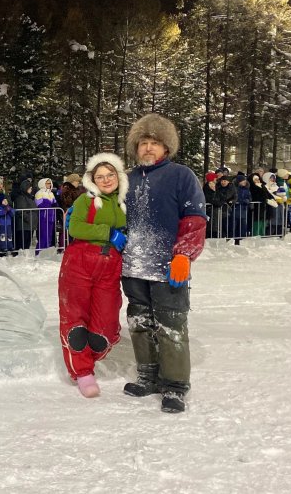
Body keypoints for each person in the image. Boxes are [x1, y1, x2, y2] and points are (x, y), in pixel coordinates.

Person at [121, 114, 207, 413]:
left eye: (154, 143)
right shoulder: (127, 178)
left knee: (170, 324)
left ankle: (174, 386)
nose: (148, 148)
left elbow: (194, 220)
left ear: (166, 148)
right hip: (133, 266)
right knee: (140, 322)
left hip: (168, 265)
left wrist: (184, 255)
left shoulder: (182, 176)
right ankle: (148, 375)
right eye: (143, 143)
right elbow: (115, 215)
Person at [58, 153, 128, 397]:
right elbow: (74, 226)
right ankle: (83, 371)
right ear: (92, 180)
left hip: (110, 266)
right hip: (80, 262)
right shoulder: (86, 200)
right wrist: (107, 232)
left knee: (106, 327)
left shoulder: (123, 202)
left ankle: (87, 356)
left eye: (110, 175)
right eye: (100, 176)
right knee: (75, 320)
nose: (106, 180)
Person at [34, 178, 57, 252]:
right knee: (43, 235)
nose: (49, 185)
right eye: (47, 183)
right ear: (43, 184)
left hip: (51, 217)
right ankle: (39, 252)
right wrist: (49, 204)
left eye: (50, 183)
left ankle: (47, 251)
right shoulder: (39, 193)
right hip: (43, 216)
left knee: (49, 235)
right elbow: (39, 204)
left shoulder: (51, 193)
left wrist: (55, 205)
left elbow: (55, 203)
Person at [13, 177, 36, 251]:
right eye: (30, 188)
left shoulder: (29, 197)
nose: (31, 189)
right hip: (23, 225)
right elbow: (21, 211)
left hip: (29, 225)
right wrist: (29, 219)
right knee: (22, 245)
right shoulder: (21, 198)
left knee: (26, 245)